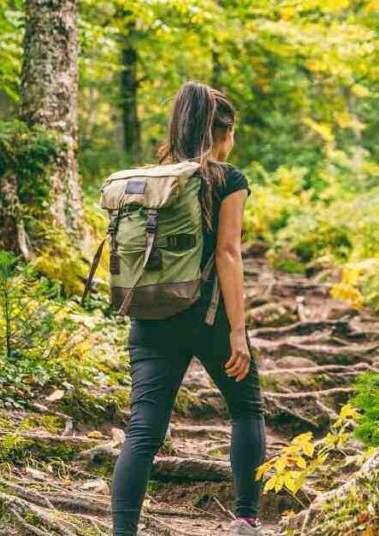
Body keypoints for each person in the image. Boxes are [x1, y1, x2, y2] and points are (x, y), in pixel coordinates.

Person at [111, 81, 266, 536]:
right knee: (246, 408)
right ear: (224, 133)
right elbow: (228, 254)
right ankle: (246, 519)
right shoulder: (227, 179)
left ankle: (123, 532)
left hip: (151, 315)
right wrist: (238, 331)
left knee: (142, 431)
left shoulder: (153, 181)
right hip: (209, 317)